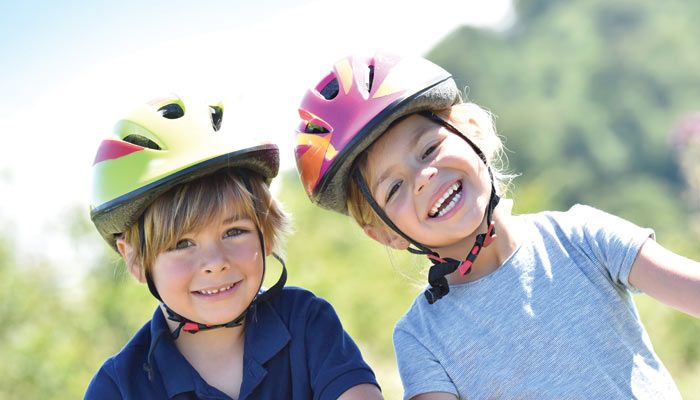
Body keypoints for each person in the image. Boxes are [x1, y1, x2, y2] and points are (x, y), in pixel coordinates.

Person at [293, 53, 700, 399]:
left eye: (429, 148)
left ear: (472, 131)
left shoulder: (579, 238)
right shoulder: (422, 337)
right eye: (394, 187)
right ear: (385, 233)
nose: (422, 177)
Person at [85, 95, 383, 399]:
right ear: (135, 259)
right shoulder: (119, 388)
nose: (215, 262)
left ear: (264, 231)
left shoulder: (305, 322)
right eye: (182, 243)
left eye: (234, 231)